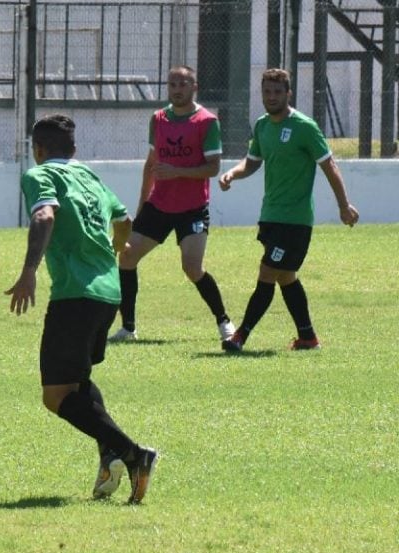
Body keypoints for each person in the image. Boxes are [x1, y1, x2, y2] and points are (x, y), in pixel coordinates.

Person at [5, 114, 157, 504]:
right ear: (73, 149)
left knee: (55, 395)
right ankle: (110, 453)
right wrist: (114, 250)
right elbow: (124, 222)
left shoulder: (39, 176)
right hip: (108, 292)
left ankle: (133, 453)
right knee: (77, 381)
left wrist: (28, 271)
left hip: (74, 294)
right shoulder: (91, 178)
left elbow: (44, 215)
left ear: (38, 149)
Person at [219, 68, 359, 352]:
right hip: (270, 216)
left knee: (267, 271)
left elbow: (329, 165)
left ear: (288, 93)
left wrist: (344, 206)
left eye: (277, 92)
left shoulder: (304, 127)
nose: (271, 97)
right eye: (267, 92)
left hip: (295, 222)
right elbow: (253, 161)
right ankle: (307, 337)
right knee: (286, 276)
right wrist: (233, 173)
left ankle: (240, 336)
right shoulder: (261, 125)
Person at [109, 65, 235, 343]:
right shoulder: (158, 119)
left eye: (183, 84)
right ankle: (128, 328)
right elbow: (151, 164)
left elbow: (213, 168)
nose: (177, 90)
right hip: (159, 205)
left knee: (192, 268)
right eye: (173, 85)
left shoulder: (206, 121)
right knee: (127, 256)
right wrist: (142, 205)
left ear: (194, 87)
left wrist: (177, 172)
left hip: (192, 208)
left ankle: (224, 321)